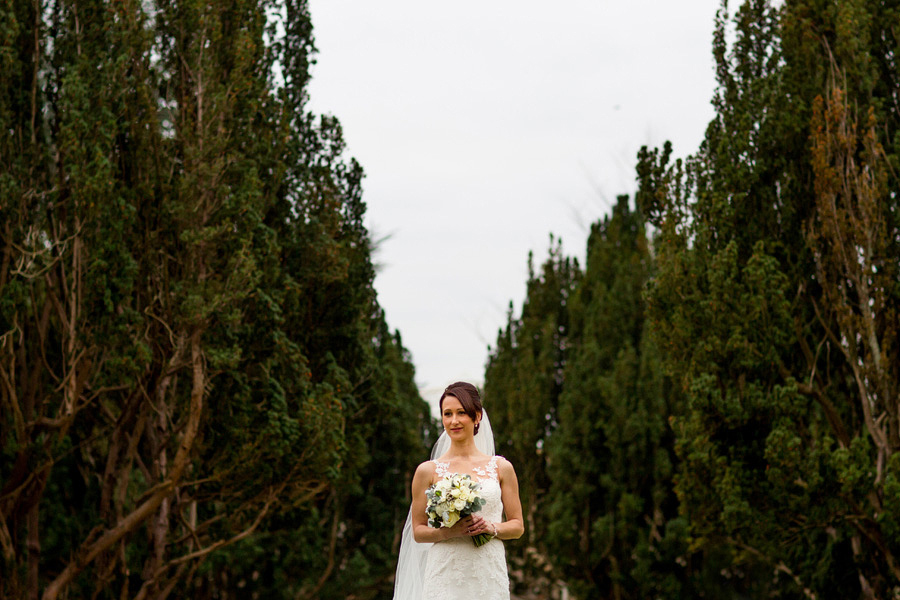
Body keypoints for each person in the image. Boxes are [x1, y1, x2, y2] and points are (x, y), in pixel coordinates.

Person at [393, 382, 524, 600]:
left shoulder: (501, 468)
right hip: (445, 571)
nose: (454, 421)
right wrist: (449, 532)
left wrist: (492, 527)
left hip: (488, 570)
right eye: (447, 414)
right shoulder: (427, 471)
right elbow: (418, 531)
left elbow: (517, 526)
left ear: (477, 416)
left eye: (461, 412)